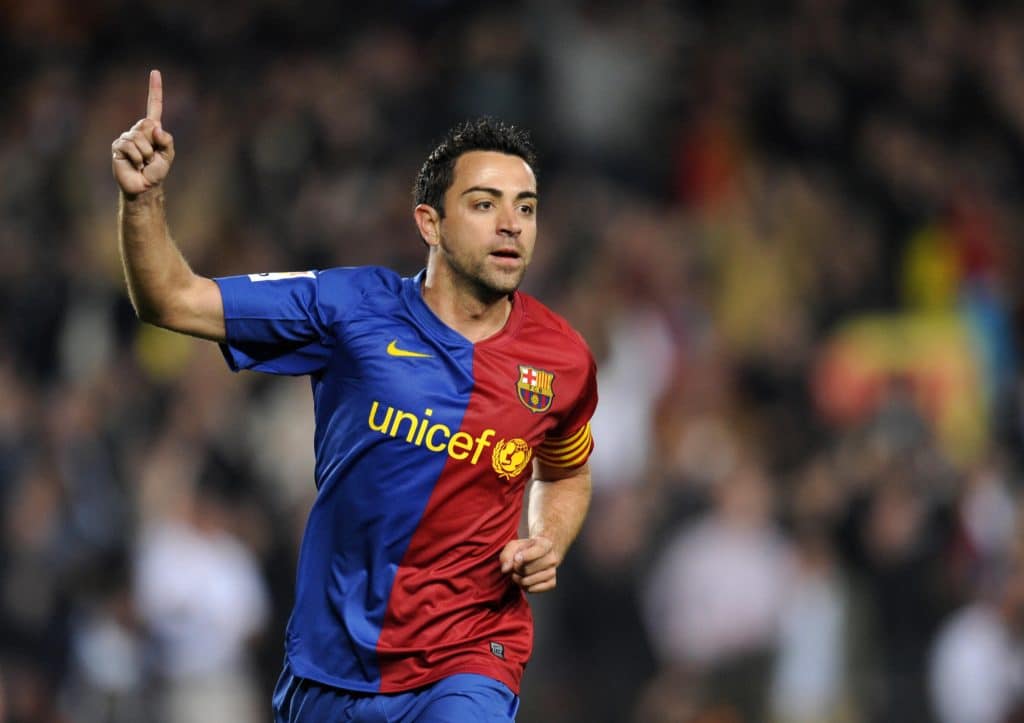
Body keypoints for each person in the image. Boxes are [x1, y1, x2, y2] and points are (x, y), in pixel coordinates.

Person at [110, 69, 598, 722]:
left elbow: (566, 470)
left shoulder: (561, 359)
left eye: (527, 207)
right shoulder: (348, 307)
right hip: (332, 663)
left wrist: (548, 539)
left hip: (470, 657)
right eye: (485, 205)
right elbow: (171, 299)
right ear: (430, 222)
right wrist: (143, 200)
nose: (512, 224)